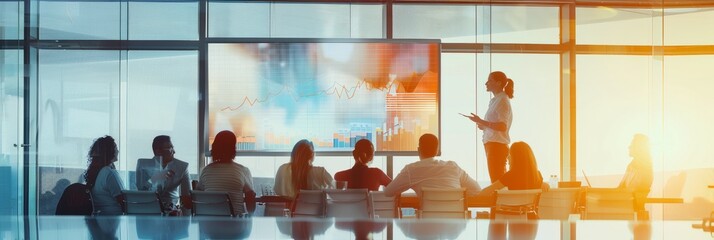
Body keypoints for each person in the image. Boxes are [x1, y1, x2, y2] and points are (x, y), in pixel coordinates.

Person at [383, 133, 481, 198]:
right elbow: (476, 189)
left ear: (419, 149)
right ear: (437, 150)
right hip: (455, 225)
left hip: (427, 227)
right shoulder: (453, 167)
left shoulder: (411, 170)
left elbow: (388, 192)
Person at [465, 71, 514, 183]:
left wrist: (481, 121)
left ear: (498, 83)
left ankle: (502, 200)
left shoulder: (502, 100)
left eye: (489, 80)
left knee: (497, 180)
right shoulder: (496, 100)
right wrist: (483, 126)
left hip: (496, 145)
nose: (486, 83)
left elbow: (502, 126)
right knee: (496, 179)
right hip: (492, 144)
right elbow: (496, 125)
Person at [197, 130, 256, 216]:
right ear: (233, 148)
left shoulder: (206, 170)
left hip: (210, 223)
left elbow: (199, 195)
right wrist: (251, 217)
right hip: (236, 224)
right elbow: (250, 197)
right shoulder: (242, 170)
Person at [135, 135, 191, 212]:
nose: (174, 151)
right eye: (170, 148)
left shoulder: (182, 166)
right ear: (158, 151)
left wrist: (183, 220)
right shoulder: (143, 165)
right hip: (148, 208)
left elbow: (187, 198)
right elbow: (141, 191)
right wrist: (155, 178)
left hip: (172, 211)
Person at [477, 141, 545, 197]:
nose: (508, 158)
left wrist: (474, 196)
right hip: (531, 212)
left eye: (509, 155)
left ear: (516, 158)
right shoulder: (537, 175)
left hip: (513, 212)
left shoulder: (511, 176)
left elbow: (486, 192)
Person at [84, 135, 124, 215]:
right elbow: (123, 201)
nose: (118, 151)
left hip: (100, 219)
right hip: (114, 219)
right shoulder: (109, 173)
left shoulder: (97, 171)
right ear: (110, 151)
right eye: (115, 148)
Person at [618, 134, 653, 200]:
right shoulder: (630, 166)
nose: (629, 147)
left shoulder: (646, 170)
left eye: (631, 145)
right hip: (624, 205)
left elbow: (640, 193)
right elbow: (619, 189)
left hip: (632, 207)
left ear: (638, 148)